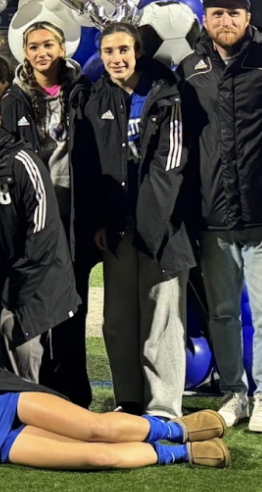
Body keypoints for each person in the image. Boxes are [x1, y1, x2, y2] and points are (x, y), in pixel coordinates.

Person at [0, 202, 229, 470]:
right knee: (96, 456)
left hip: (4, 402)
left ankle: (175, 430)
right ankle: (180, 454)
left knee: (96, 428)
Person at [178, 0, 262, 433]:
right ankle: (235, 392)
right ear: (205, 19)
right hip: (213, 215)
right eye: (217, 13)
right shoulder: (190, 68)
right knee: (222, 311)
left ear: (248, 19)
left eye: (234, 14)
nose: (225, 21)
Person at [77, 22, 193, 418]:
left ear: (136, 51)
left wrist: (151, 224)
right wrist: (99, 221)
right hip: (117, 228)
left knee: (162, 321)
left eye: (123, 50)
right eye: (108, 51)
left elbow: (171, 164)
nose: (116, 58)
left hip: (161, 229)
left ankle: (163, 406)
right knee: (119, 320)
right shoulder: (97, 99)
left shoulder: (165, 94)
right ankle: (128, 399)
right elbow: (92, 168)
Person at [0, 20, 96, 406]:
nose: (42, 53)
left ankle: (74, 386)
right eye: (34, 46)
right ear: (25, 52)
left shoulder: (83, 90)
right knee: (40, 301)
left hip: (77, 214)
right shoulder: (13, 98)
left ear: (63, 48)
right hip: (37, 218)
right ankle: (41, 387)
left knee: (73, 301)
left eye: (49, 45)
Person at [0, 89, 79, 377]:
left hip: (33, 277)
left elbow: (43, 233)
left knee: (16, 335)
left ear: (0, 121)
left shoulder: (23, 161)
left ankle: (29, 411)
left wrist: (14, 292)